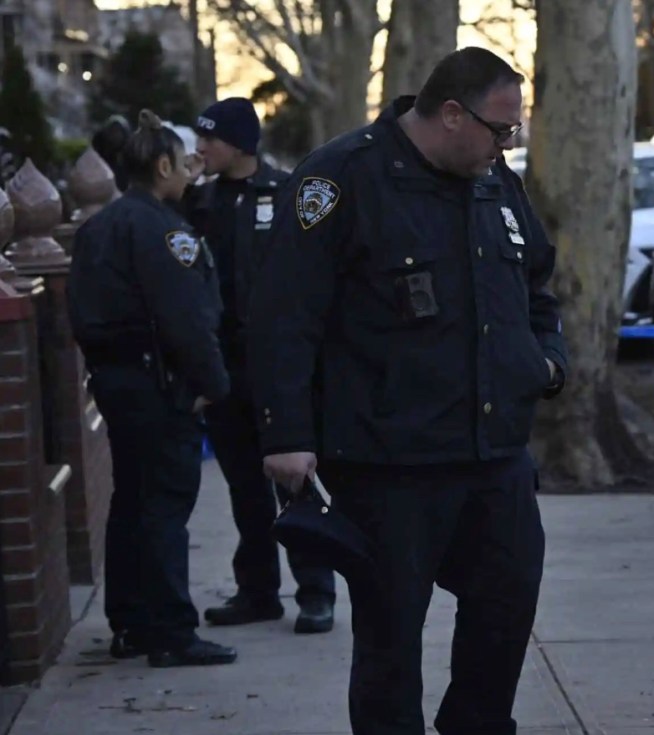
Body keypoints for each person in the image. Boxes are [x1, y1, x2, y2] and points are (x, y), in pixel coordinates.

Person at [247, 47, 568, 733]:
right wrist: (287, 434)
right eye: (500, 129)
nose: (508, 143)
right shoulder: (342, 178)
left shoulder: (492, 181)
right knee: (391, 643)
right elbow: (285, 315)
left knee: (504, 615)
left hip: (494, 455)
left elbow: (539, 285)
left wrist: (547, 363)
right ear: (452, 114)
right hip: (390, 465)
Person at [66, 109, 237, 668]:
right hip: (160, 384)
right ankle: (170, 632)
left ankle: (132, 621)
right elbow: (188, 316)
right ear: (161, 165)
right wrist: (213, 382)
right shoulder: (165, 232)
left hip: (116, 383)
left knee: (132, 501)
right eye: (181, 163)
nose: (190, 172)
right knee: (164, 506)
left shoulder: (98, 227)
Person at [187, 97, 337, 634]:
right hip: (223, 369)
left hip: (277, 367)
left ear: (240, 144)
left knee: (296, 484)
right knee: (243, 490)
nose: (200, 147)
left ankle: (316, 591)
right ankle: (257, 591)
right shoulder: (196, 203)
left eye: (210, 138)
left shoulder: (287, 191)